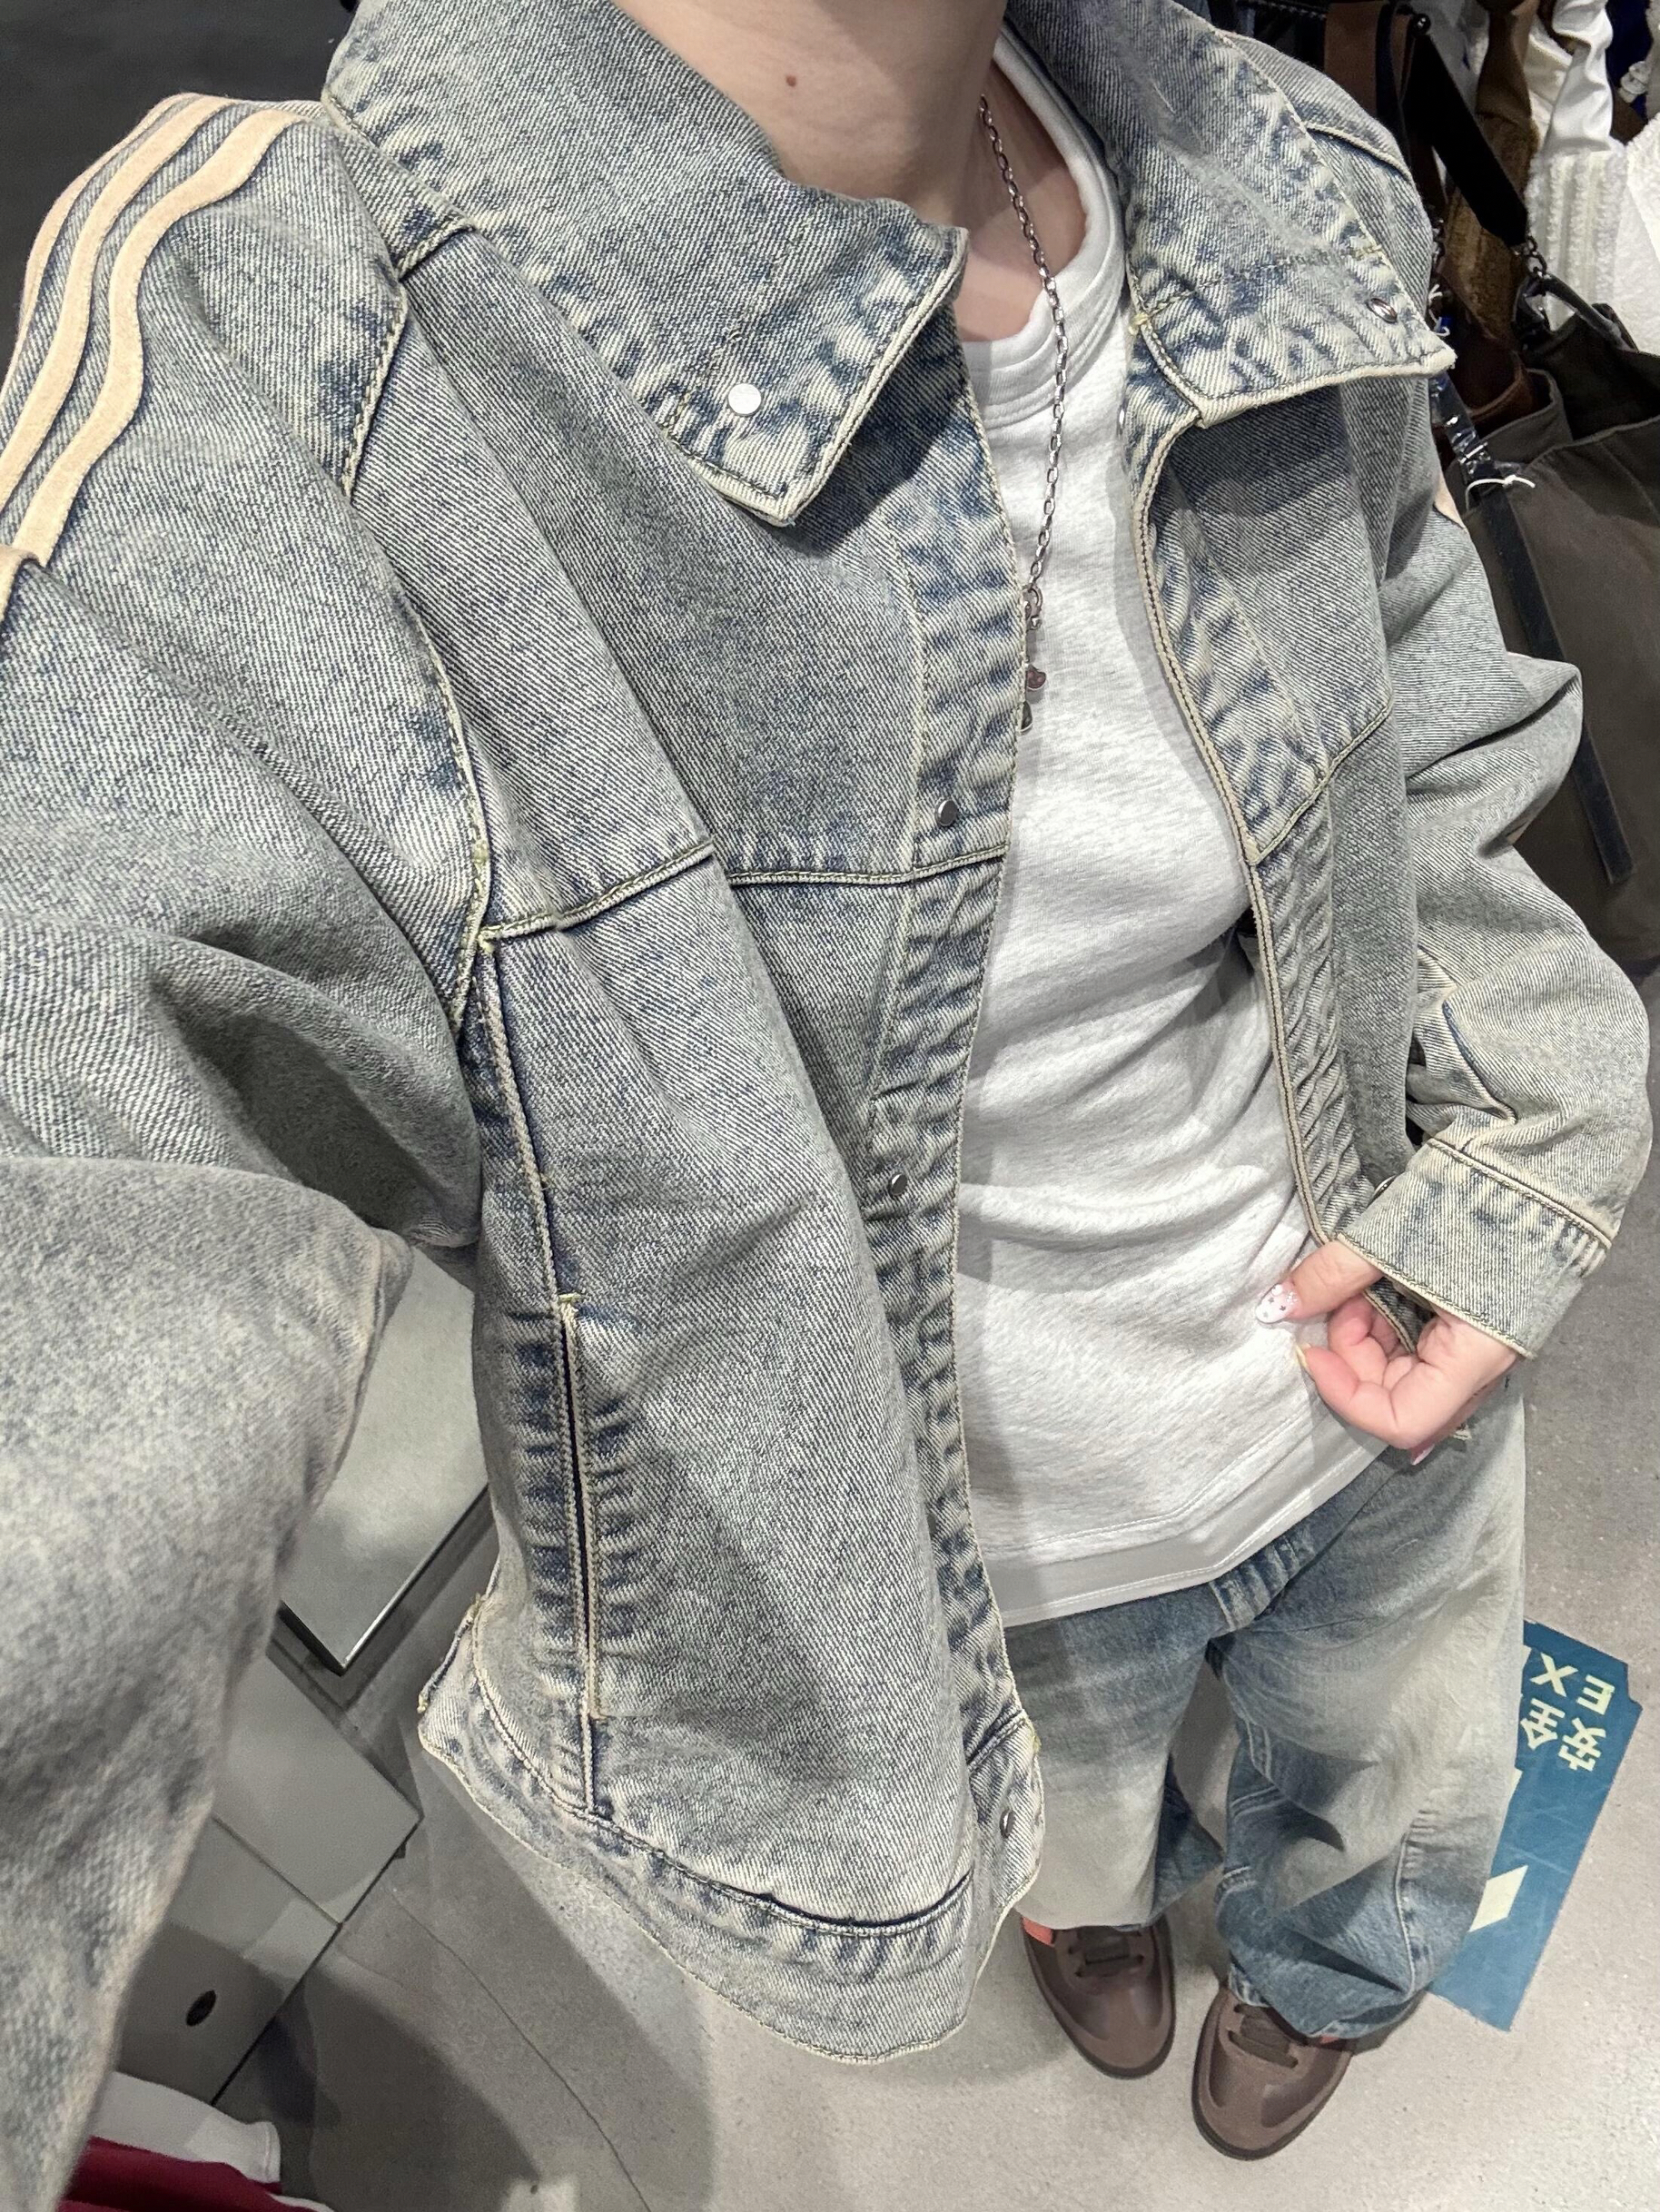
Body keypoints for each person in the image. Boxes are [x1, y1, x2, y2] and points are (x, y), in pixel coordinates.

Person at [0, 0, 1649, 2196]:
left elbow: (1433, 728)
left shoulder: (1251, 157)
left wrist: (1528, 1144)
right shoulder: (300, 395)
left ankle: (1318, 1989)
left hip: (1372, 1387)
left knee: (1388, 1800)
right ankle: (1093, 1925)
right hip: (983, 1539)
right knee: (1071, 1836)